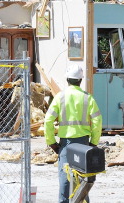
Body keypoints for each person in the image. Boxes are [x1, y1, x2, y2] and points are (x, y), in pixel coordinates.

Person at [44, 64, 103, 203]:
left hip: (66, 144)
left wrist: (51, 142)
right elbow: (97, 121)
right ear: (81, 80)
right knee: (84, 178)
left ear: (67, 79)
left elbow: (48, 121)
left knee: (65, 178)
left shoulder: (60, 97)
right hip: (83, 143)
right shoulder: (88, 98)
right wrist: (94, 142)